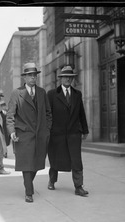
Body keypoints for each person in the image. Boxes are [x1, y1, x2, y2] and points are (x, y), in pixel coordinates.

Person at [6, 62, 52, 203]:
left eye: (34, 75)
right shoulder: (16, 93)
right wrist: (12, 131)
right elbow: (10, 116)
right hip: (24, 135)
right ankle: (29, 192)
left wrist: (47, 129)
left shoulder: (42, 92)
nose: (33, 78)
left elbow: (48, 113)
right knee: (27, 164)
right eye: (30, 75)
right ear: (24, 77)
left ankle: (28, 184)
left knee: (37, 164)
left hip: (40, 135)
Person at [47, 65, 89, 197]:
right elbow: (48, 114)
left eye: (70, 77)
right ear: (60, 79)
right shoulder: (52, 94)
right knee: (55, 159)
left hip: (73, 133)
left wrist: (85, 130)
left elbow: (81, 113)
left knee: (76, 160)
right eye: (65, 77)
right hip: (57, 134)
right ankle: (52, 180)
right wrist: (48, 131)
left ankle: (79, 186)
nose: (68, 80)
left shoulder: (77, 94)